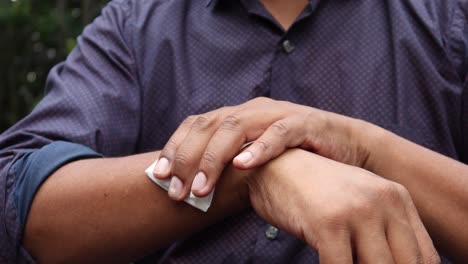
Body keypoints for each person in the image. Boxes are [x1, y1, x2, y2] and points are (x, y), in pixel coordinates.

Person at [0, 0, 466, 262]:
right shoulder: (135, 24)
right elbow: (17, 196)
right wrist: (253, 174)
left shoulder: (449, 18)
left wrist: (363, 148)